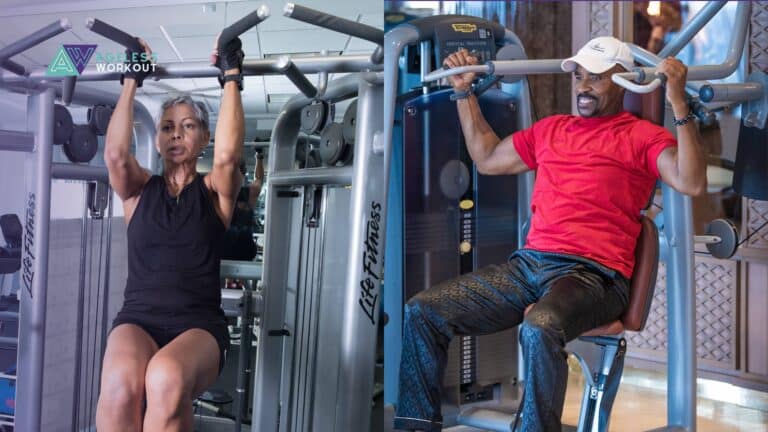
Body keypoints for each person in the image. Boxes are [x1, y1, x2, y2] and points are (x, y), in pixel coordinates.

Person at [393, 36, 705, 432]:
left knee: (540, 326)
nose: (583, 86)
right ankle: (414, 427)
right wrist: (463, 92)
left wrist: (679, 102)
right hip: (528, 268)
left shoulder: (640, 136)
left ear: (624, 82)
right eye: (578, 76)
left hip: (594, 276)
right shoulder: (552, 129)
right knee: (423, 310)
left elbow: (691, 182)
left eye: (596, 77)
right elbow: (487, 158)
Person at [96, 33, 246, 431]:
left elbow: (230, 157)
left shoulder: (214, 192)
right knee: (118, 385)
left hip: (199, 327)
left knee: (164, 377)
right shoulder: (138, 191)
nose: (176, 133)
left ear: (204, 139)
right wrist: (132, 78)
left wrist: (231, 74)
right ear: (158, 140)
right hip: (138, 319)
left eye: (187, 126)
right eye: (167, 127)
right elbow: (114, 154)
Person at [221, 151, 264, 263]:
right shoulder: (250, 192)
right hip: (244, 250)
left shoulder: (218, 192)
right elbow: (259, 179)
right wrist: (259, 157)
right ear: (244, 171)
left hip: (225, 251)